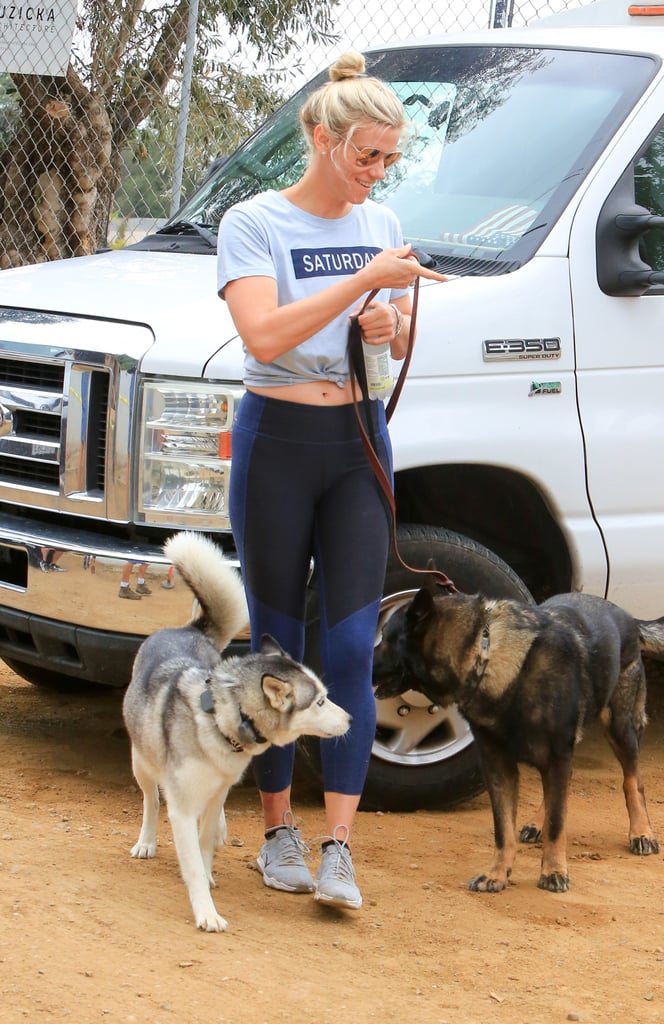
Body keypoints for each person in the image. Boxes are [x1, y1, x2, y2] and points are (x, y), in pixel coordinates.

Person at [216, 50, 447, 910]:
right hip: (277, 437)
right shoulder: (254, 222)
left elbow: (387, 325)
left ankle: (339, 846)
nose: (378, 175)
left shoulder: (380, 220)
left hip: (358, 438)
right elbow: (264, 337)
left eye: (389, 159)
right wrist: (362, 283)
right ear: (319, 138)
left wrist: (386, 318)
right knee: (276, 649)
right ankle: (277, 829)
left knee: (350, 648)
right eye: (366, 157)